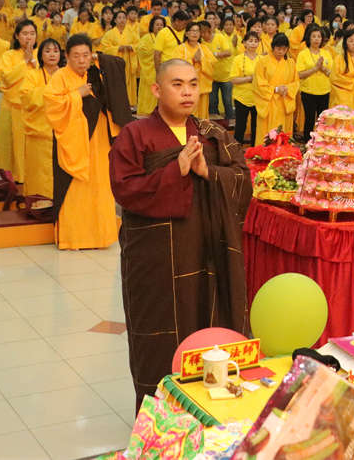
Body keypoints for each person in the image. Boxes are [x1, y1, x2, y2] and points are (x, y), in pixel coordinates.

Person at [108, 58, 252, 410]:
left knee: (208, 328)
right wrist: (176, 170)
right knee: (158, 337)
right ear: (156, 89)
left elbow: (243, 179)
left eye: (193, 84)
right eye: (177, 84)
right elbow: (125, 190)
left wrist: (207, 172)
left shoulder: (211, 133)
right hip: (157, 260)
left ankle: (211, 412)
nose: (187, 92)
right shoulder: (135, 135)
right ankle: (158, 420)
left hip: (206, 252)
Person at [44, 34, 131, 250]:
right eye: (76, 56)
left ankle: (100, 236)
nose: (81, 60)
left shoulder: (95, 72)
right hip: (73, 140)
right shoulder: (60, 76)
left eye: (85, 55)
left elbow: (118, 64)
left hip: (98, 137)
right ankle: (73, 238)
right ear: (66, 56)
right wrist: (77, 94)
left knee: (100, 186)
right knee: (75, 189)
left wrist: (98, 58)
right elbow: (52, 105)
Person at [0, 19, 40, 188]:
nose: (29, 37)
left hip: (37, 107)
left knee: (36, 144)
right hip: (15, 106)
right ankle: (19, 177)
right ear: (16, 36)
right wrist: (25, 62)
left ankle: (36, 177)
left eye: (32, 34)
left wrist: (33, 61)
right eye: (25, 34)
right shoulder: (9, 55)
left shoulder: (41, 53)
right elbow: (7, 78)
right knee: (16, 144)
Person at [20, 38, 62, 198]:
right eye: (47, 51)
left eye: (56, 51)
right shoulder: (32, 74)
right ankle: (37, 204)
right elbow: (26, 99)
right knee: (37, 174)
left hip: (62, 134)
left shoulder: (66, 74)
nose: (52, 54)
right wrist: (51, 90)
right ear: (41, 55)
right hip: (38, 134)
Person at [253, 34, 298, 141]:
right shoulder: (262, 62)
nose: (281, 52)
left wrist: (287, 88)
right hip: (269, 102)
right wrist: (275, 89)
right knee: (267, 135)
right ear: (273, 47)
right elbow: (258, 83)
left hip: (284, 102)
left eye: (284, 49)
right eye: (278, 48)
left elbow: (296, 82)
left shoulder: (291, 63)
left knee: (283, 133)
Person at [295, 26, 332, 140]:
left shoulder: (326, 53)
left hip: (324, 91)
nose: (316, 39)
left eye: (319, 37)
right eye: (314, 36)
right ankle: (308, 141)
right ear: (309, 38)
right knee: (309, 119)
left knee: (323, 120)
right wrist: (315, 68)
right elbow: (299, 74)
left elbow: (331, 73)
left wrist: (322, 68)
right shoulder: (303, 54)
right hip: (308, 91)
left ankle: (321, 141)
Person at [176, 22, 214, 119]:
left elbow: (213, 65)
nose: (195, 33)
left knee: (202, 117)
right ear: (186, 33)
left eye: (197, 31)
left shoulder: (204, 48)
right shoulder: (180, 49)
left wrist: (201, 61)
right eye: (192, 31)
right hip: (186, 89)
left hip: (202, 87)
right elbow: (176, 66)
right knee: (188, 114)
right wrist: (192, 60)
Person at [229, 31, 262, 144]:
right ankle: (237, 148)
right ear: (244, 43)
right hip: (241, 97)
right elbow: (233, 79)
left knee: (256, 126)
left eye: (256, 41)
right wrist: (250, 78)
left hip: (258, 97)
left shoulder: (262, 59)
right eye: (250, 41)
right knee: (240, 125)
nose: (253, 43)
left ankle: (255, 148)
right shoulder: (238, 59)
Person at [208, 13, 237, 123]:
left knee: (227, 101)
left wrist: (214, 54)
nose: (211, 21)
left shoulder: (220, 36)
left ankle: (230, 123)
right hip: (211, 76)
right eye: (209, 19)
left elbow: (228, 52)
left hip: (226, 75)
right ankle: (214, 125)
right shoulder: (202, 38)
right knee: (213, 102)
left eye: (213, 19)